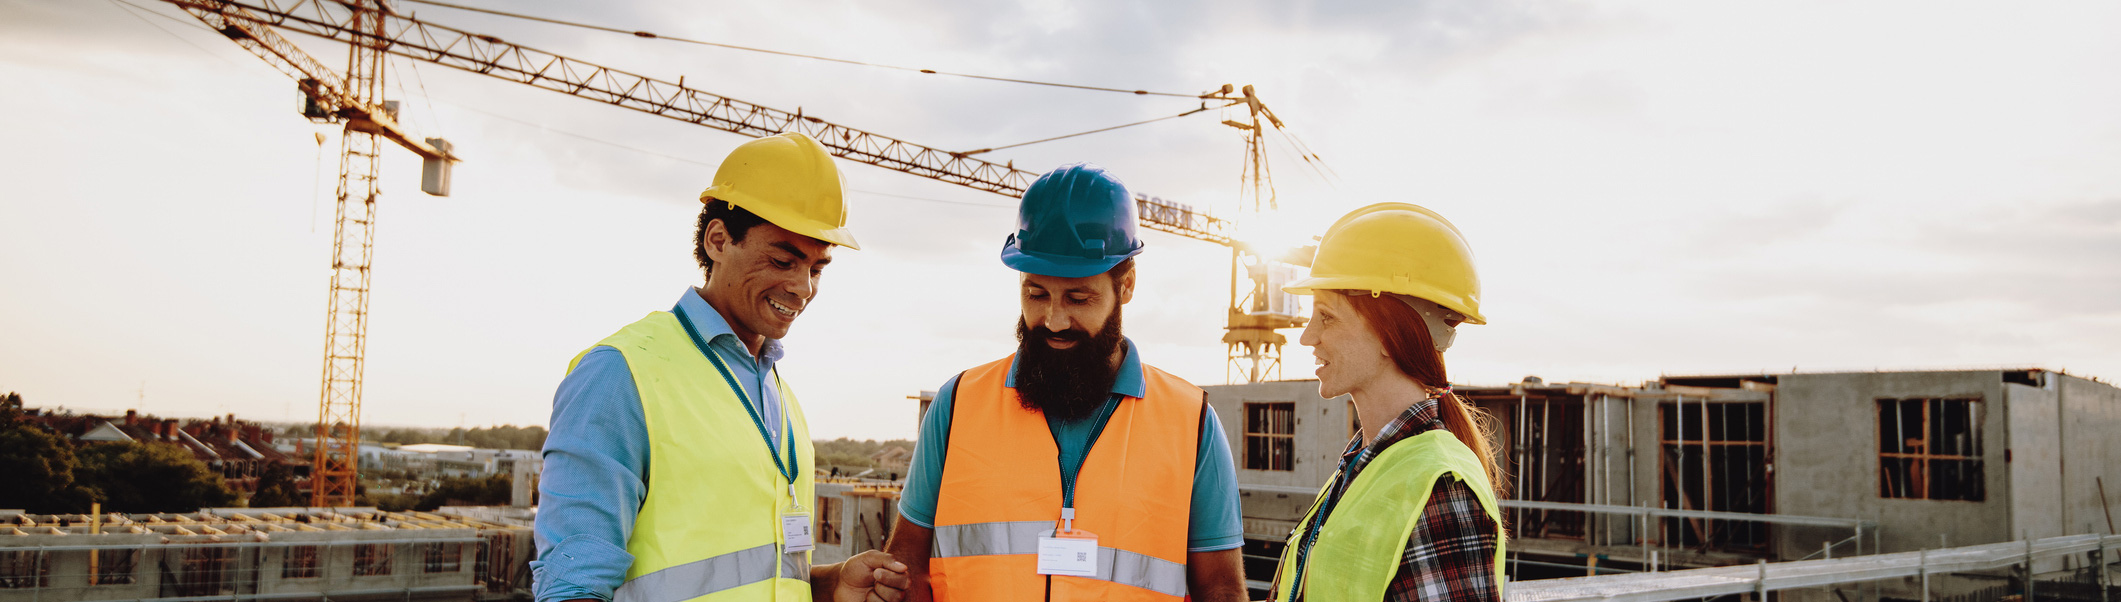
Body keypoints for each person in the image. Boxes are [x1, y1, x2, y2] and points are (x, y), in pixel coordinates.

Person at [533, 133, 910, 602]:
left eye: (816, 268)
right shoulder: (621, 373)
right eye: (782, 260)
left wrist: (831, 584)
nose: (803, 288)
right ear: (717, 240)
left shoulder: (774, 388)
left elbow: (749, 575)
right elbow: (572, 583)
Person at [881, 163, 1249, 602]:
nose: (1054, 320)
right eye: (1035, 294)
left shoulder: (1192, 424)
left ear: (1126, 286)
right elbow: (906, 569)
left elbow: (1222, 591)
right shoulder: (957, 404)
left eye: (1079, 298)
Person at [1269, 202, 1507, 602]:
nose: (1307, 337)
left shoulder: (1438, 486)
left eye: (1326, 316)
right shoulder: (1368, 465)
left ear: (1388, 333)